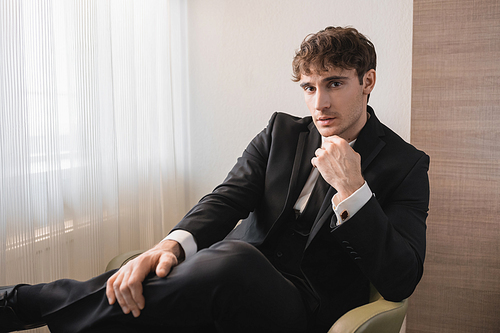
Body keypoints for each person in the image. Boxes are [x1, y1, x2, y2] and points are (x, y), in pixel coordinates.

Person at [0, 26, 429, 333]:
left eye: (334, 84)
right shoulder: (283, 132)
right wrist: (169, 245)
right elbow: (226, 199)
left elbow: (401, 278)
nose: (320, 103)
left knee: (234, 260)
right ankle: (27, 305)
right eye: (309, 87)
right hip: (222, 277)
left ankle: (23, 302)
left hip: (304, 305)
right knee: (164, 267)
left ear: (368, 81)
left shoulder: (405, 164)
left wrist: (354, 191)